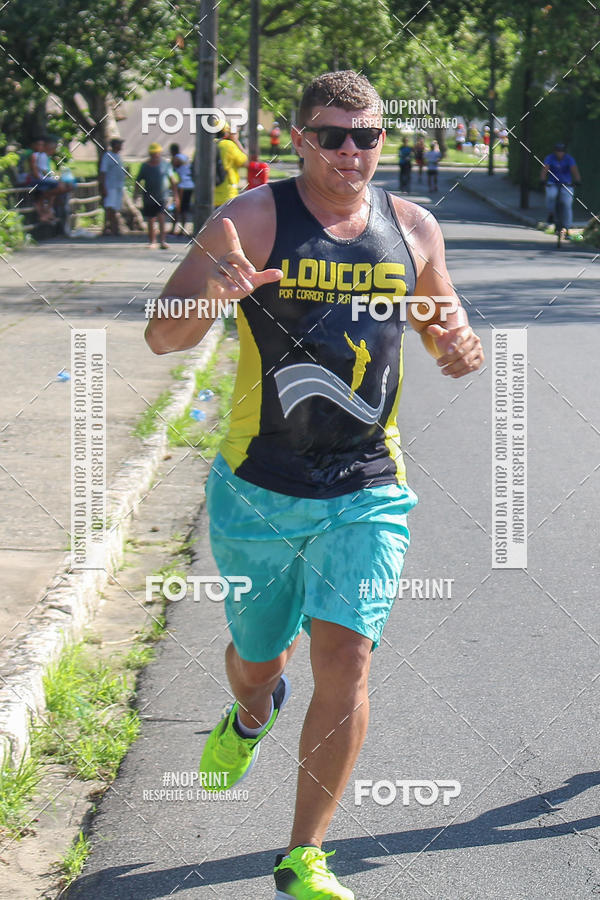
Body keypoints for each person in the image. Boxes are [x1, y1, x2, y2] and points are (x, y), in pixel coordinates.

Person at [145, 69, 483, 900]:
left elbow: (444, 331)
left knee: (348, 656)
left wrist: (460, 347)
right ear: (298, 139)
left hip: (369, 484)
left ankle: (305, 854)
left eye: (366, 136)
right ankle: (252, 712)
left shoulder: (412, 228)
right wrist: (215, 299)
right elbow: (161, 336)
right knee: (258, 660)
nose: (350, 153)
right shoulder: (251, 220)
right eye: (332, 136)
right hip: (259, 484)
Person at [135, 142, 178, 249]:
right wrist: (135, 195)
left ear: (159, 153)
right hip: (148, 196)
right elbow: (138, 180)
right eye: (153, 154)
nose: (155, 156)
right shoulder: (145, 166)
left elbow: (172, 181)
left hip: (162, 196)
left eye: (156, 153)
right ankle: (152, 241)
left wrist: (175, 196)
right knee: (150, 219)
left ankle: (163, 241)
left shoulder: (165, 165)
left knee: (161, 217)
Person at [540, 142, 581, 237]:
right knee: (551, 196)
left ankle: (567, 227)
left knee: (567, 204)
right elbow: (545, 169)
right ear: (555, 151)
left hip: (566, 184)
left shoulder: (569, 159)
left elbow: (574, 170)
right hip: (553, 183)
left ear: (564, 152)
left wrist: (577, 180)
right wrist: (542, 180)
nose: (559, 153)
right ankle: (551, 213)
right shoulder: (550, 158)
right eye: (558, 151)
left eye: (561, 151)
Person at [214, 124, 248, 207]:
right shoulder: (229, 145)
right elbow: (246, 162)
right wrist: (236, 140)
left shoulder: (203, 145)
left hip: (205, 195)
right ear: (226, 132)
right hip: (226, 194)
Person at [99, 138, 126, 236]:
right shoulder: (108, 156)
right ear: (114, 145)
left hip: (118, 186)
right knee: (110, 207)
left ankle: (112, 227)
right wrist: (103, 187)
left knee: (115, 208)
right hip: (110, 186)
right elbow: (103, 172)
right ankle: (110, 227)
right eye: (119, 144)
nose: (121, 146)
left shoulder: (118, 156)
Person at [169, 142, 194, 235]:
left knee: (178, 208)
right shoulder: (185, 157)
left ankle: (175, 229)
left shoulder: (175, 159)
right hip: (190, 185)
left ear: (172, 151)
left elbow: (172, 172)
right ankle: (182, 228)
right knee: (184, 208)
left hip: (182, 186)